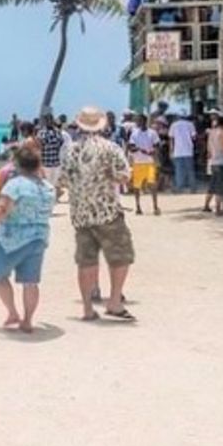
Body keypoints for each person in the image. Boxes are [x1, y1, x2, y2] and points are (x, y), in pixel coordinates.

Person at [62, 106, 137, 321]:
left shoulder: (71, 150)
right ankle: (114, 301)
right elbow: (124, 176)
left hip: (81, 213)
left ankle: (87, 307)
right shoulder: (110, 148)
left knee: (86, 261)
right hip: (107, 211)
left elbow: (63, 180)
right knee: (120, 256)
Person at [0, 146, 55, 333]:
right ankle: (27, 320)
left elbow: (2, 208)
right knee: (31, 282)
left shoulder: (15, 185)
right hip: (38, 238)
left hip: (11, 239)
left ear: (17, 164)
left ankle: (13, 312)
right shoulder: (48, 188)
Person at [126, 113, 161, 216]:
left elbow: (157, 145)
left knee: (152, 185)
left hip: (149, 162)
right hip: (138, 162)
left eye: (140, 120)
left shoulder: (152, 133)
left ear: (145, 121)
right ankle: (138, 207)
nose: (138, 122)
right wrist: (139, 149)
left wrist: (153, 151)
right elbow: (131, 147)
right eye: (138, 121)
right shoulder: (134, 133)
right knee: (137, 186)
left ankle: (155, 206)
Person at [202, 113, 223, 216]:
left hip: (214, 162)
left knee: (213, 185)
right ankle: (218, 208)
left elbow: (209, 150)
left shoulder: (211, 133)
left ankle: (207, 205)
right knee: (222, 187)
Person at [168, 112, 197, 192]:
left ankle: (179, 187)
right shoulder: (190, 124)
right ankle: (193, 187)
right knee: (190, 170)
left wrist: (171, 150)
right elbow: (194, 137)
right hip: (188, 150)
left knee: (179, 170)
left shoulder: (174, 125)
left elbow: (171, 139)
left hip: (177, 151)